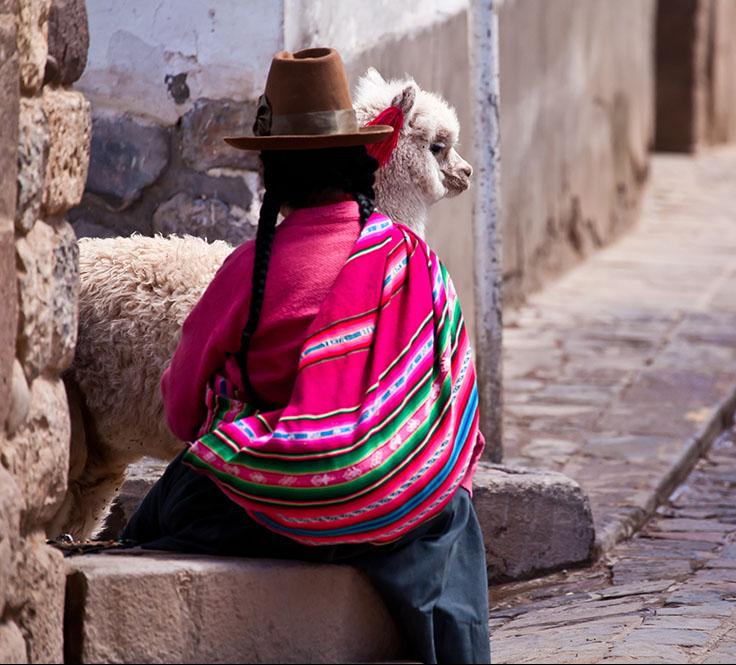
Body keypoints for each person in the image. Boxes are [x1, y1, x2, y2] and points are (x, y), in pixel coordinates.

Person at [122, 47, 490, 664]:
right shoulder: (414, 263)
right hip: (393, 506)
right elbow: (451, 400)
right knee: (449, 514)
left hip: (258, 506)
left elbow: (182, 410)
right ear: (359, 159)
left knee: (165, 507)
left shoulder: (246, 271)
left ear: (272, 174)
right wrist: (378, 464)